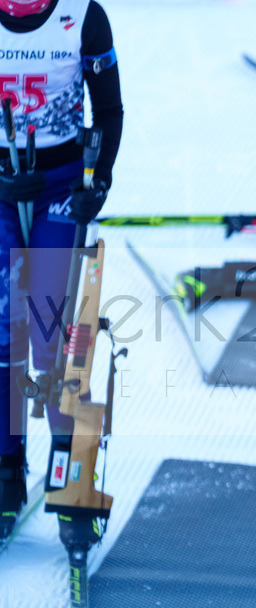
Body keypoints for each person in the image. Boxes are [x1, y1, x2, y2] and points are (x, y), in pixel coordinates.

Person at [0, 0, 123, 544]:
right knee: (4, 335)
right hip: (3, 186)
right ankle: (5, 471)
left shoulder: (82, 15)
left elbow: (109, 110)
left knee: (53, 334)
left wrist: (100, 180)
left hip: (60, 186)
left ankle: (72, 475)